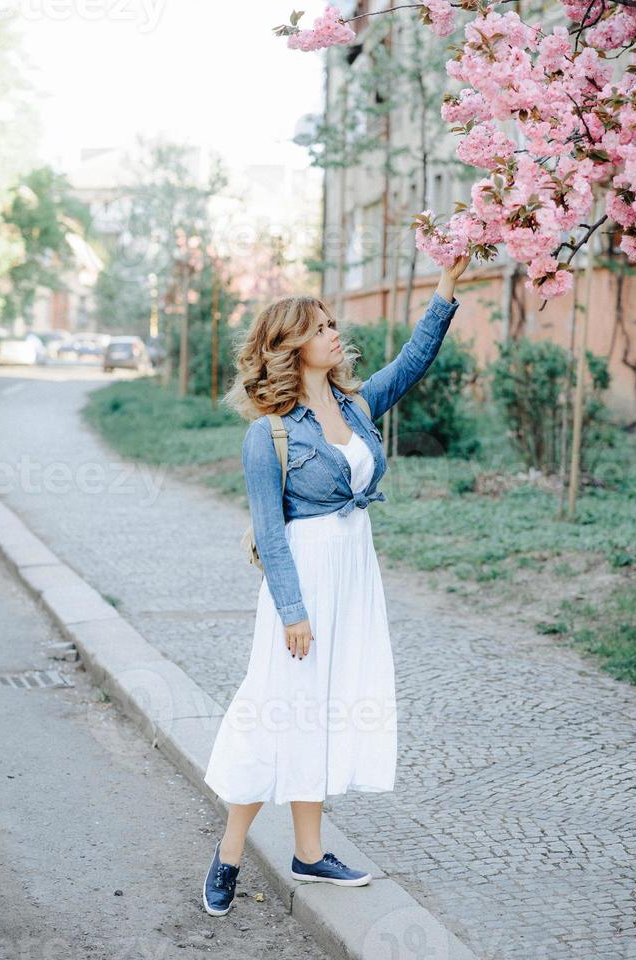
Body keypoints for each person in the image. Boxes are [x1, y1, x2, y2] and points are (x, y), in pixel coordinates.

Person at [201, 255, 469, 915]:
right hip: (304, 583)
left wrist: (445, 287)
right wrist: (292, 611)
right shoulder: (267, 436)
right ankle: (229, 854)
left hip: (354, 574)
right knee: (274, 708)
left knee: (326, 708)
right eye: (320, 327)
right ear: (292, 346)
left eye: (330, 323)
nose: (333, 333)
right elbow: (269, 530)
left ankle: (309, 851)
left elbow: (411, 364)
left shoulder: (354, 402)